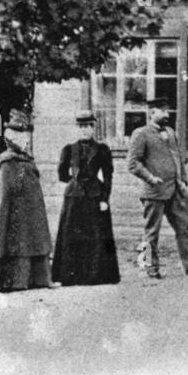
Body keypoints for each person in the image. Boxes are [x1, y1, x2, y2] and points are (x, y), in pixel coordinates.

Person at [127, 97, 188, 279]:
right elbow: (133, 163)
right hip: (153, 192)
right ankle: (148, 266)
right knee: (151, 232)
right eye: (162, 111)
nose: (167, 114)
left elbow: (178, 159)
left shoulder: (171, 133)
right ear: (152, 112)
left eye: (168, 111)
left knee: (185, 227)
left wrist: (183, 180)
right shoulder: (141, 134)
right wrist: (150, 178)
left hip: (174, 190)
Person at [0, 108, 53, 292]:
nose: (25, 140)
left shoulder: (27, 163)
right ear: (10, 137)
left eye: (25, 136)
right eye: (20, 136)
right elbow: (5, 195)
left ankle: (33, 277)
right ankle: (4, 278)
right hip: (12, 215)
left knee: (29, 234)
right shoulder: (7, 165)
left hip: (26, 214)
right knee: (6, 234)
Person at [51, 110, 120, 286]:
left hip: (95, 196)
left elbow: (108, 176)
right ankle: (70, 276)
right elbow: (61, 174)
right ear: (77, 128)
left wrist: (105, 199)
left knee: (96, 236)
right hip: (73, 197)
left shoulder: (102, 149)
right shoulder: (68, 149)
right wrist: (75, 183)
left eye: (88, 126)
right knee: (71, 235)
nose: (85, 130)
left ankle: (96, 276)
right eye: (81, 126)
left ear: (93, 128)